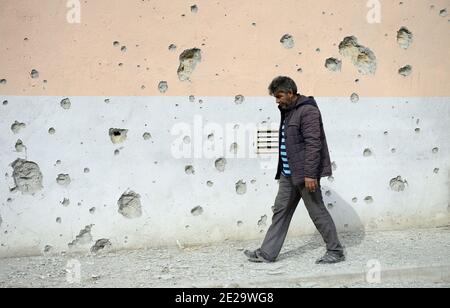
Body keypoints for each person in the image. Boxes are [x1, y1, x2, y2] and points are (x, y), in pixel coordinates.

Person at [244, 76, 345, 264]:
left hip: (305, 175)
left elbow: (313, 144)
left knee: (317, 212)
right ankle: (267, 253)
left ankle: (335, 251)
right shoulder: (288, 110)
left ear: (291, 93)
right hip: (287, 174)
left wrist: (310, 174)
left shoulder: (307, 111)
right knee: (280, 210)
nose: (277, 101)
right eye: (275, 97)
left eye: (279, 96)